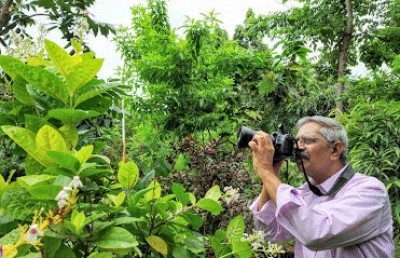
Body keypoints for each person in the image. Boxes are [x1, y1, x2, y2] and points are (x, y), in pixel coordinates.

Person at [248, 116, 394, 257]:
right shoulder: (305, 193)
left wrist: (265, 171)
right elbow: (271, 232)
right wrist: (272, 171)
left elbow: (315, 233)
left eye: (307, 140)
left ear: (335, 150)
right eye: (296, 141)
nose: (297, 148)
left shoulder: (370, 192)